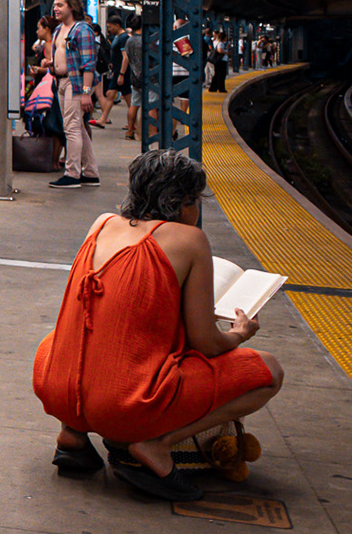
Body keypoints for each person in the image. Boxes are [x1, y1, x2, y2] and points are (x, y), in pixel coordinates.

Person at [33, 150, 283, 501]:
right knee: (269, 371)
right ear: (184, 203)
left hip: (55, 388)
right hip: (124, 405)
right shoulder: (190, 239)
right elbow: (206, 343)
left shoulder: (102, 224)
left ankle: (72, 436)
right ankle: (157, 445)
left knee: (83, 333)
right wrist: (239, 334)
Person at [44, 0, 101, 189]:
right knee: (78, 128)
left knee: (71, 128)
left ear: (72, 7)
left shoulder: (82, 30)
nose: (56, 8)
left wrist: (86, 93)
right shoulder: (58, 29)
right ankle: (90, 173)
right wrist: (51, 64)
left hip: (75, 84)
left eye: (60, 5)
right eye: (55, 5)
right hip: (61, 82)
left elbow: (88, 64)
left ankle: (72, 174)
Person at [123, 16, 144, 141]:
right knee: (151, 105)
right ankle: (149, 132)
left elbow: (127, 57)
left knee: (134, 104)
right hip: (149, 77)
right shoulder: (146, 40)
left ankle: (130, 131)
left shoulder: (129, 41)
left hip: (134, 76)